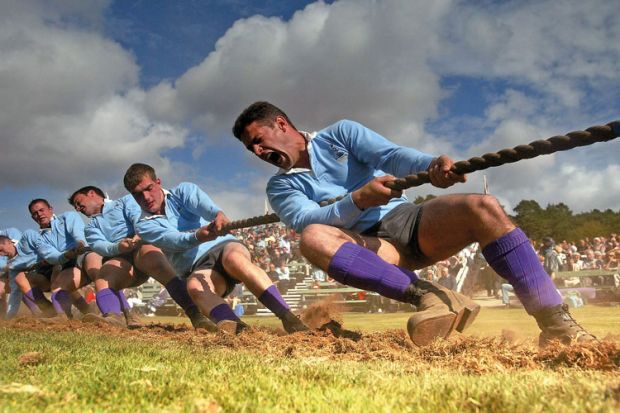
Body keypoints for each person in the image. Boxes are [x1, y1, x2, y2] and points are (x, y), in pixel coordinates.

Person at [232, 101, 595, 346]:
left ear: (281, 124)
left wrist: (430, 165)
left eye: (258, 141)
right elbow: (305, 219)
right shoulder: (279, 185)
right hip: (370, 247)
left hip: (410, 221)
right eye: (252, 149)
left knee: (483, 207)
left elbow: (390, 155)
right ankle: (430, 298)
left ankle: (556, 323)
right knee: (312, 238)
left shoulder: (340, 133)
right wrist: (357, 199)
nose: (258, 153)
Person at [123, 163, 307, 334]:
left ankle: (288, 317)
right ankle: (242, 332)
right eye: (138, 194)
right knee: (194, 287)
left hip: (224, 245)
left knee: (235, 260)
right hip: (197, 267)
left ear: (158, 182)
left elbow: (207, 208)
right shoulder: (143, 226)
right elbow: (175, 241)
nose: (146, 198)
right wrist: (198, 236)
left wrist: (218, 215)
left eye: (148, 189)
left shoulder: (183, 191)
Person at [69, 185, 216, 330]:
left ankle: (197, 316)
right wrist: (118, 247)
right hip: (120, 258)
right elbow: (99, 245)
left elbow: (139, 218)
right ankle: (113, 318)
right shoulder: (90, 228)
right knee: (102, 279)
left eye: (78, 202)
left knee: (156, 262)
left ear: (91, 194)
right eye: (75, 206)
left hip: (142, 247)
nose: (78, 208)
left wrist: (138, 234)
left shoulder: (125, 201)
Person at [32, 198, 100, 321]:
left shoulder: (68, 217)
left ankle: (116, 313)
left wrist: (79, 242)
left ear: (50, 209)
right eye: (35, 213)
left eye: (41, 210)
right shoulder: (39, 238)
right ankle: (64, 316)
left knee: (98, 272)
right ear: (33, 217)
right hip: (66, 263)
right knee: (57, 284)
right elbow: (52, 256)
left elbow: (78, 234)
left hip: (85, 253)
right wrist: (65, 256)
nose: (39, 214)